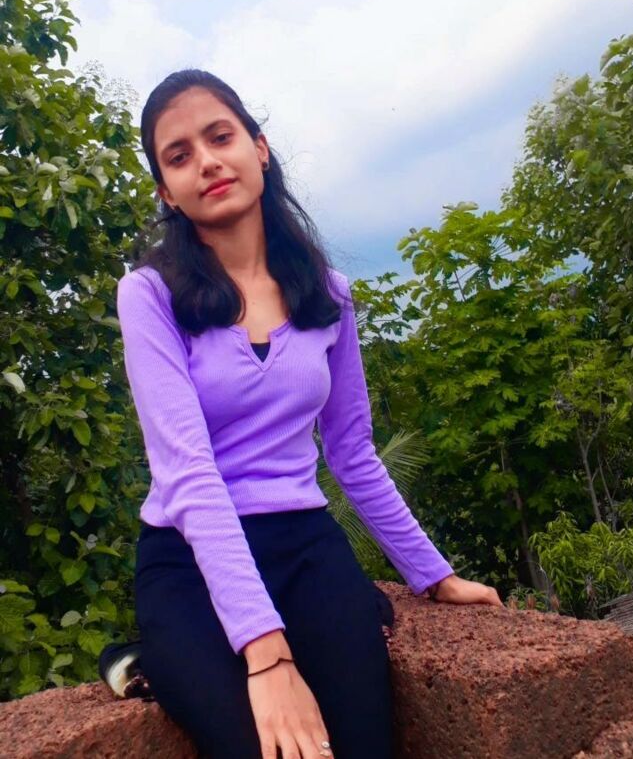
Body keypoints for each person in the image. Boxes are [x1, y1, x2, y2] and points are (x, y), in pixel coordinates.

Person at [105, 69, 503, 759]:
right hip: (191, 560)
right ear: (167, 191)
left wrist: (434, 575)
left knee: (364, 744)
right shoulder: (149, 295)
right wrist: (268, 654)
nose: (207, 161)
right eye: (179, 155)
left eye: (220, 137)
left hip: (306, 547)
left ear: (259, 148)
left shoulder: (327, 294)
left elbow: (352, 451)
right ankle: (159, 654)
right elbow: (188, 471)